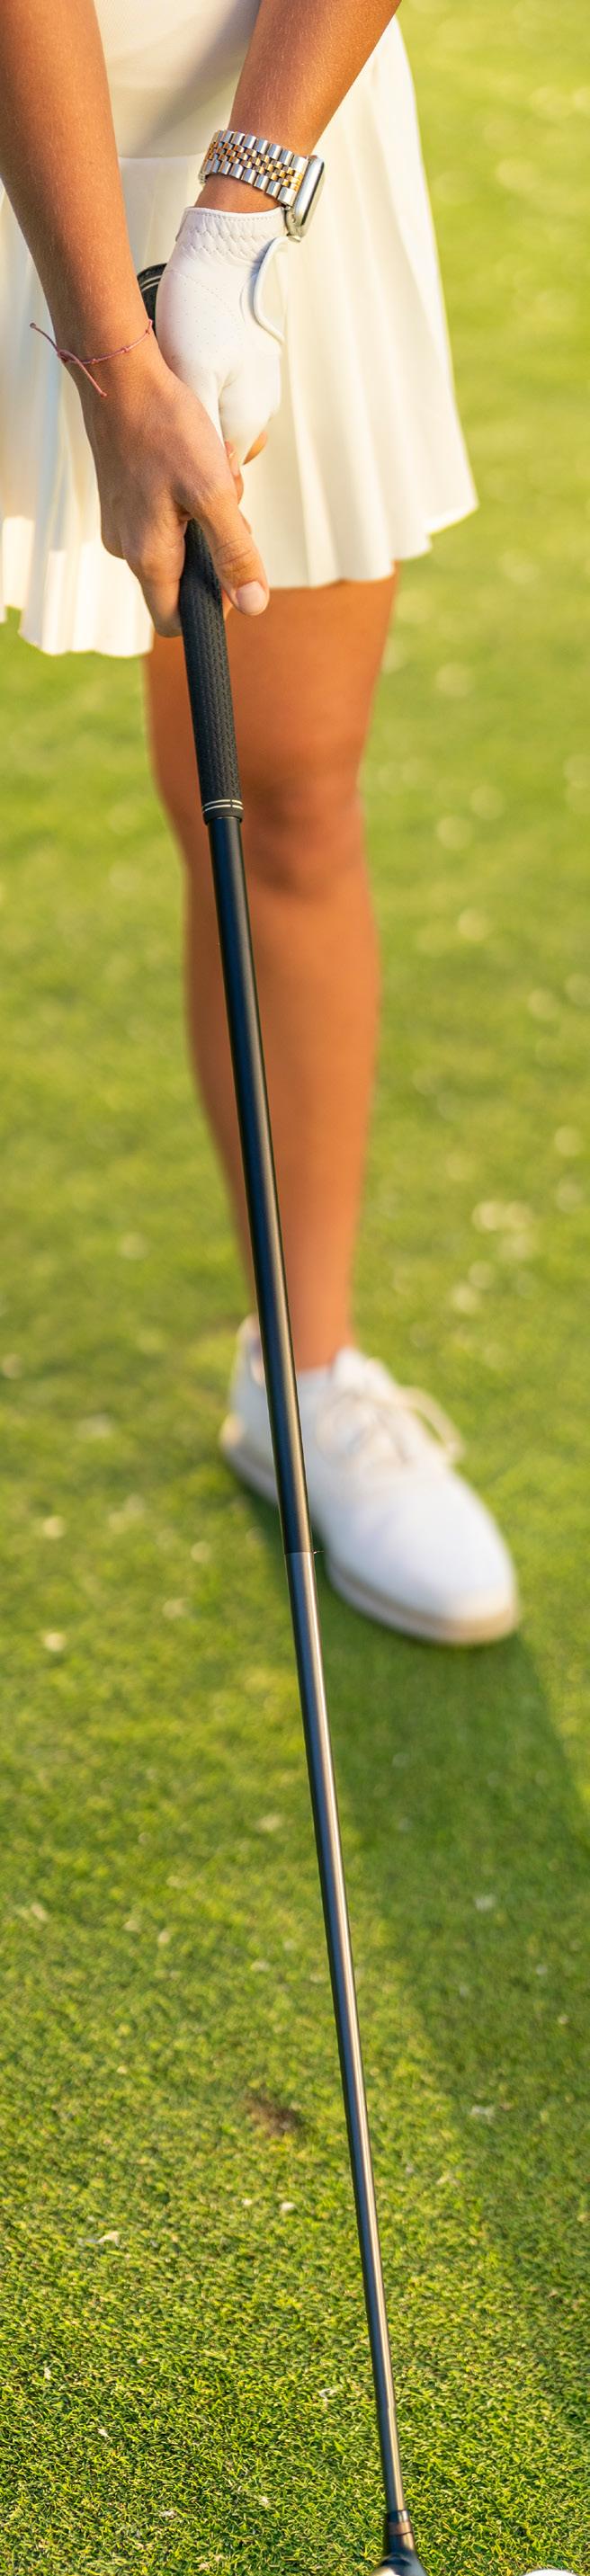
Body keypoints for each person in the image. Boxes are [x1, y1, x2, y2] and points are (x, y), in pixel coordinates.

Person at [0, 0, 518, 1645]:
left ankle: (304, 1378)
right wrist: (105, 339)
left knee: (286, 793)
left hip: (275, 133)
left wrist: (232, 232)